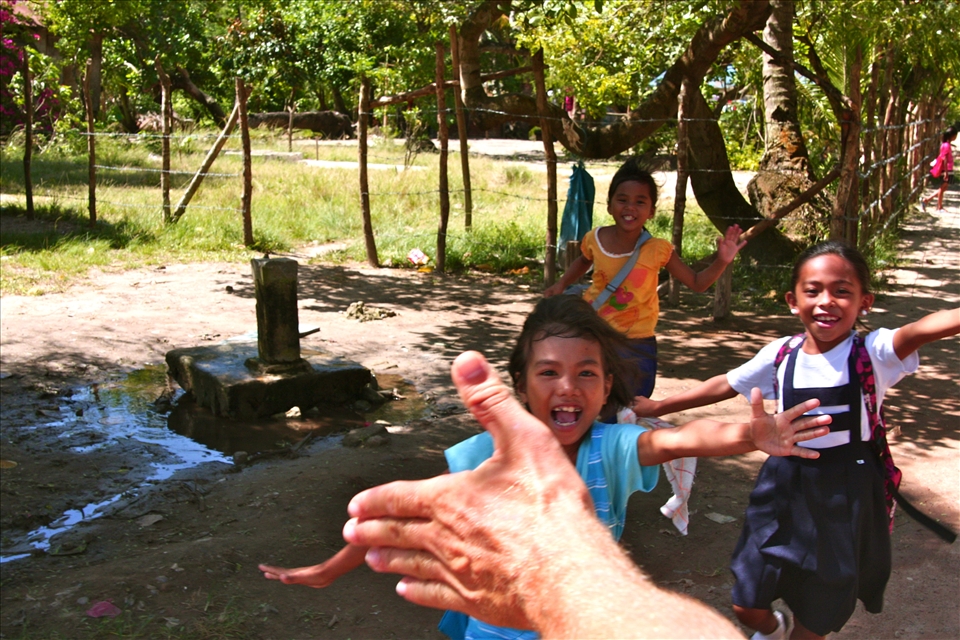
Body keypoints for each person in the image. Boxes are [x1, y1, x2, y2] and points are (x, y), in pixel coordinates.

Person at [260, 296, 833, 639]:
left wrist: (750, 434)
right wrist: (332, 568)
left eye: (587, 372)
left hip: (580, 617)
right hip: (492, 627)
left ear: (608, 385)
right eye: (548, 372)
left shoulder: (612, 447)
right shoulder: (477, 460)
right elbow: (400, 520)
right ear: (521, 386)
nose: (568, 386)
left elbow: (685, 439)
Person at [634, 241, 960, 640]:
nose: (827, 301)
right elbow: (724, 384)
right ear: (793, 300)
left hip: (848, 490)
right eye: (813, 290)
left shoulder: (873, 352)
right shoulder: (781, 354)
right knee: (747, 603)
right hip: (784, 483)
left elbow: (929, 326)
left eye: (842, 291)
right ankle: (773, 629)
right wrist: (658, 406)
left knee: (820, 611)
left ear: (864, 302)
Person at [543, 157, 746, 400]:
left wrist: (723, 260)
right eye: (622, 200)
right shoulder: (594, 238)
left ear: (651, 212)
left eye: (640, 202)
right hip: (595, 336)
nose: (630, 207)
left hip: (637, 344)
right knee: (591, 401)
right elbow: (584, 260)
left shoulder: (658, 249)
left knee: (633, 405)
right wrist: (562, 284)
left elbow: (697, 283)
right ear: (609, 205)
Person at [920, 127, 956, 213]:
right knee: (942, 188)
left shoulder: (945, 145)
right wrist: (946, 172)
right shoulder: (946, 145)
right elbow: (944, 158)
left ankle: (926, 200)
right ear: (952, 136)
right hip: (946, 169)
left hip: (948, 168)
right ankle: (939, 207)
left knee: (943, 188)